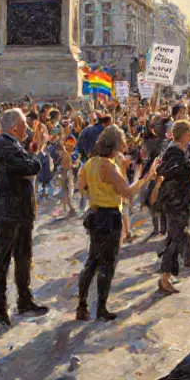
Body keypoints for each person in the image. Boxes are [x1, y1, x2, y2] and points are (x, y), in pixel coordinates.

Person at [75, 125, 160, 320]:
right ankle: (101, 309)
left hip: (95, 214)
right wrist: (146, 177)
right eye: (123, 140)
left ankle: (82, 305)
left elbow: (82, 188)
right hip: (109, 217)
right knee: (107, 264)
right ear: (114, 143)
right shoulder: (108, 165)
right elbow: (127, 192)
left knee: (92, 261)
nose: (126, 144)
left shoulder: (91, 163)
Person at [0, 108, 50, 326]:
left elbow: (22, 156)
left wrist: (33, 146)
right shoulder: (6, 146)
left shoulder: (6, 144)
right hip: (9, 213)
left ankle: (24, 300)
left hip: (15, 212)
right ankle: (1, 307)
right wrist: (39, 150)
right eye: (25, 124)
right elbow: (30, 166)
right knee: (4, 261)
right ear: (14, 126)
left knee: (22, 258)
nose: (28, 128)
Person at [156, 120, 190, 295]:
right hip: (177, 203)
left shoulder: (178, 150)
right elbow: (169, 174)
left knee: (176, 236)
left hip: (178, 202)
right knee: (175, 238)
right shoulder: (175, 153)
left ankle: (170, 272)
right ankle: (165, 277)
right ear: (184, 134)